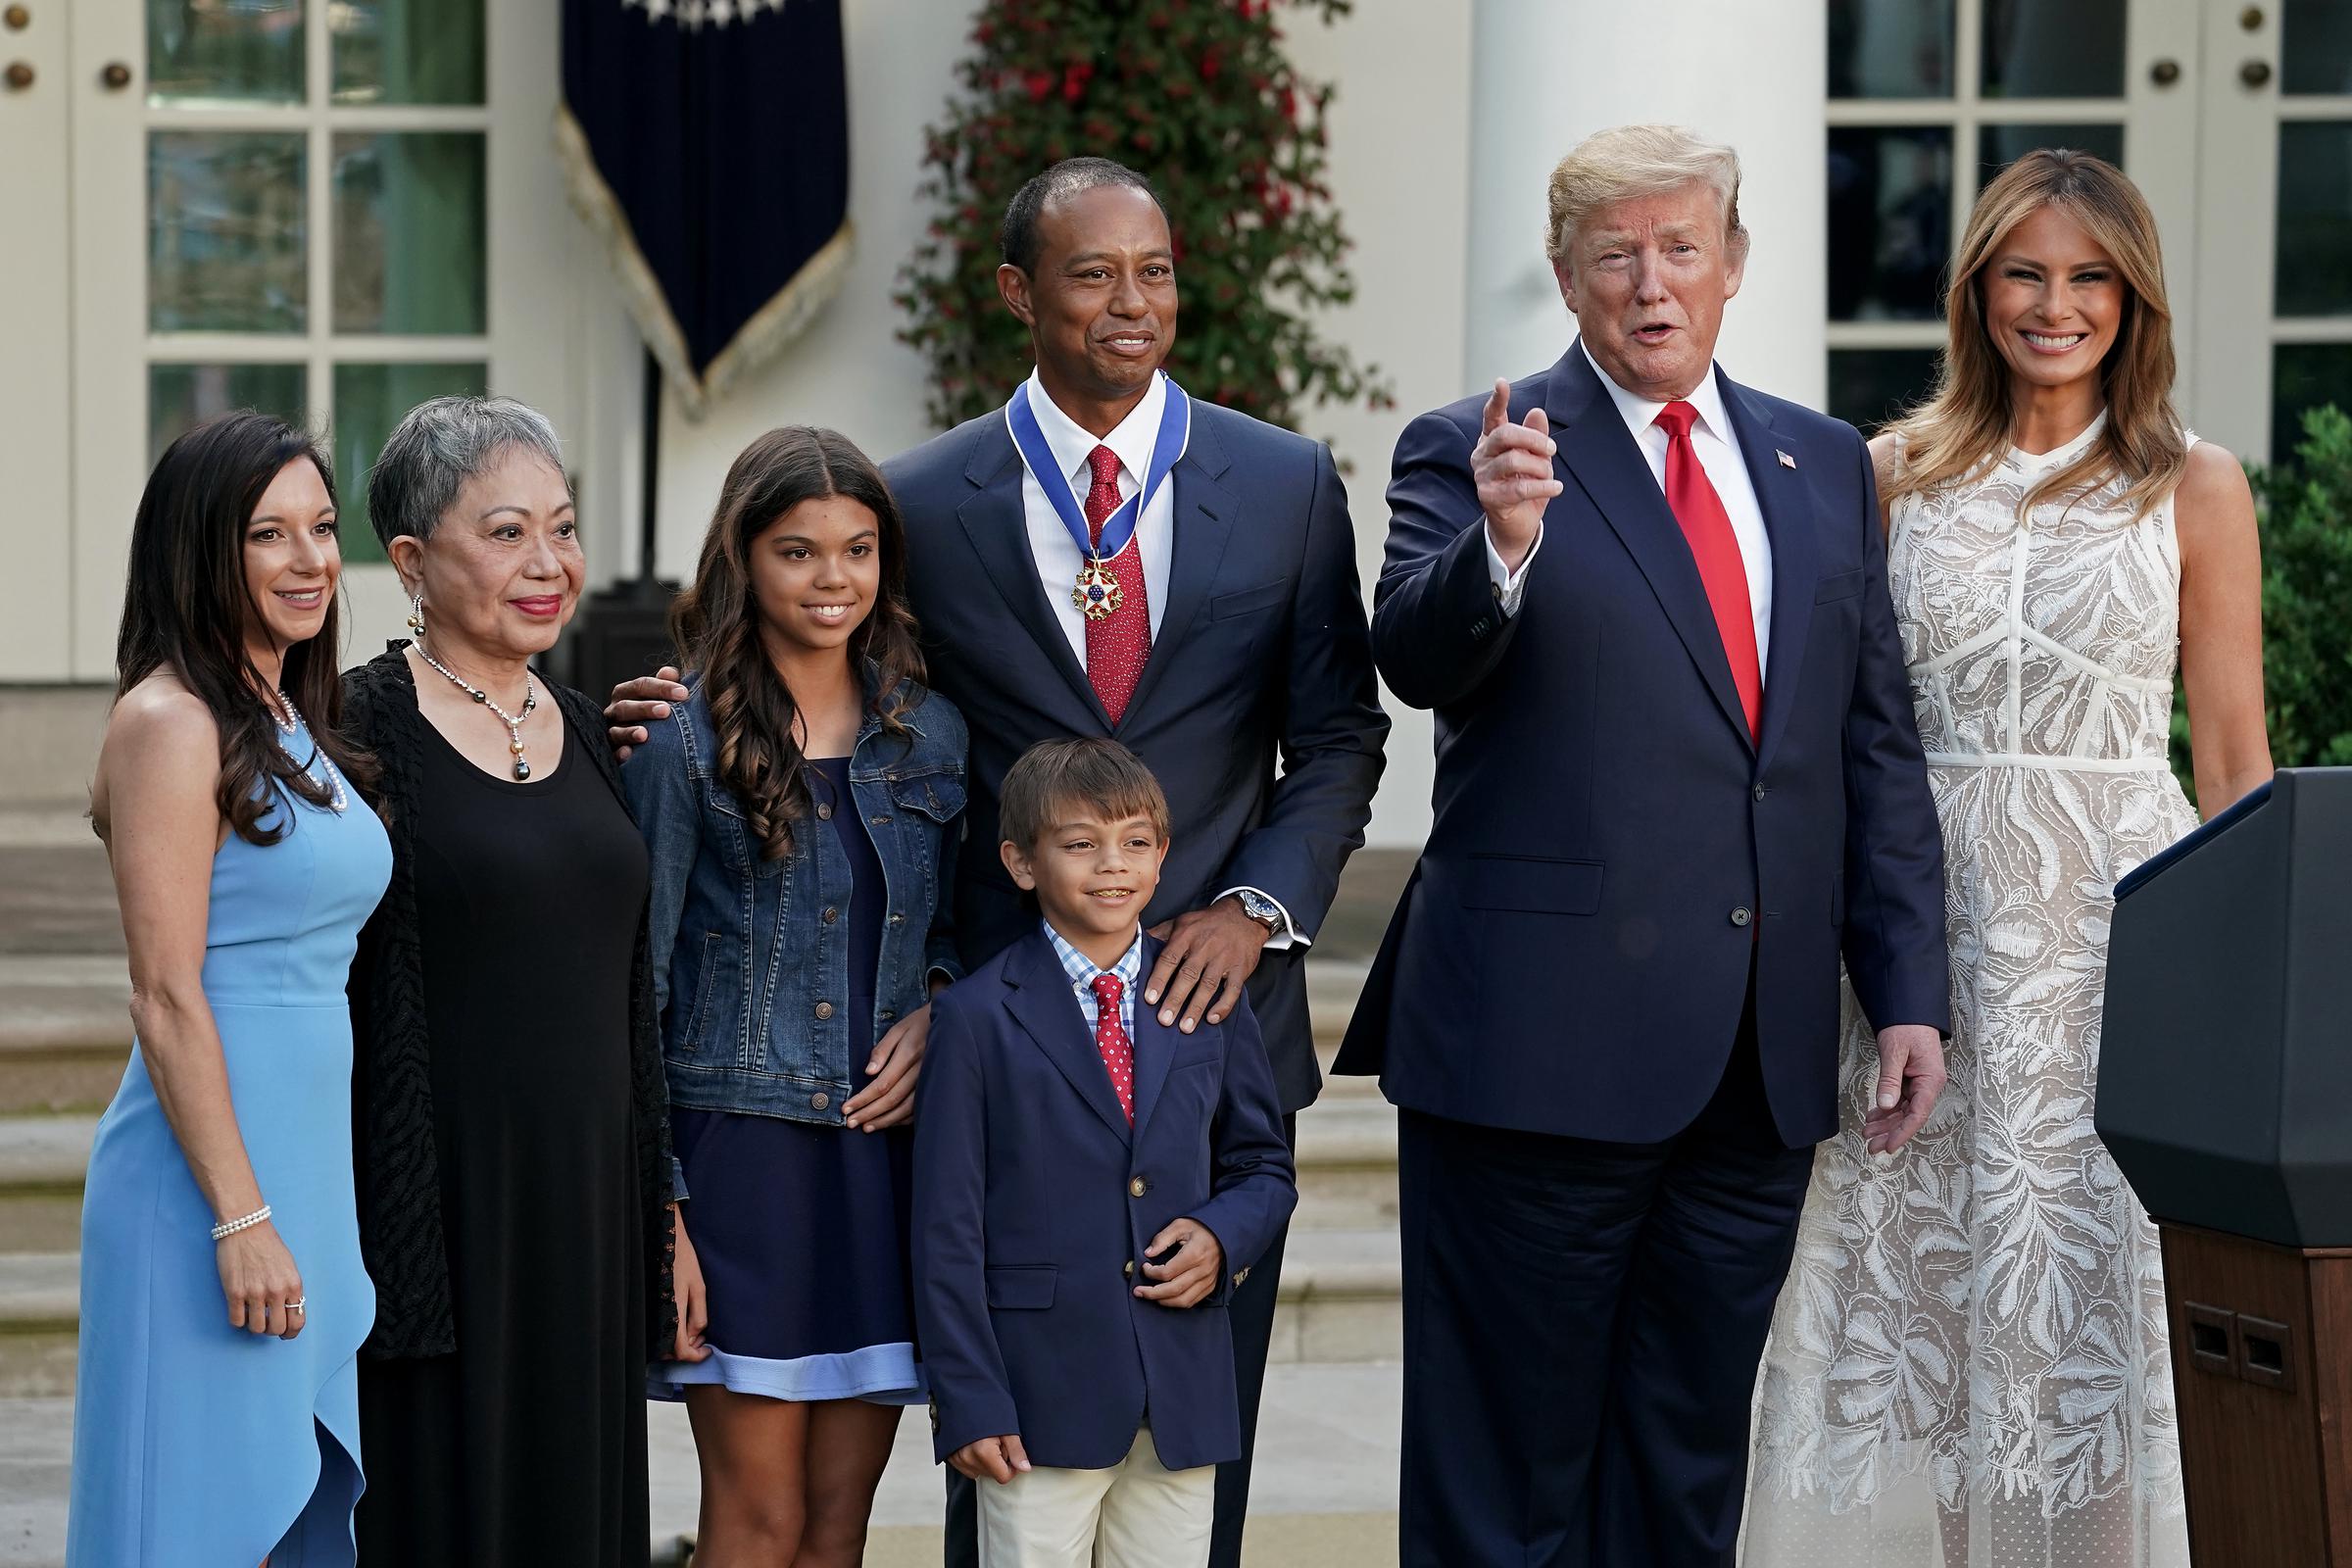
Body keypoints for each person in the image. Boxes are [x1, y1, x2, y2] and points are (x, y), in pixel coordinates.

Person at [610, 156, 1388, 1568]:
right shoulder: (919, 498)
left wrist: (1259, 909)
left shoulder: (1283, 483)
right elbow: (841, 676)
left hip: (1207, 1035)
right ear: (1020, 293)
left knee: (1187, 1460)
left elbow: (1339, 736)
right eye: (1093, 274)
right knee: (1007, 1456)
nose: (1131, 302)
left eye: (1153, 270)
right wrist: (688, 702)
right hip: (1003, 1050)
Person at [1332, 123, 1953, 1567]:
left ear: (1735, 264)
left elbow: (1869, 746)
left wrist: (1905, 981)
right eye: (1616, 255)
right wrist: (1499, 546)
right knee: (1508, 1490)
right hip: (1536, 1060)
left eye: (1682, 248)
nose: (1651, 284)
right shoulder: (1478, 445)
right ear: (1565, 275)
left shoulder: (1820, 465)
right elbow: (1418, 659)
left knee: (1681, 1477)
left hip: (1753, 1066)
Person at [1743, 149, 2273, 1568]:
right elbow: (1842, 734)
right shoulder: (1888, 475)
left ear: (2132, 298)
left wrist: (2245, 1004)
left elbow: (2233, 768)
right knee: (1941, 1308)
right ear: (1977, 292)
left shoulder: (2197, 483)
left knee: (2096, 1306)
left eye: (2090, 276)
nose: (2058, 305)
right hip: (1932, 942)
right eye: (2027, 274)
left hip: (2121, 945)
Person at [624, 425, 968, 1565]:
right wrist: (663, 1212)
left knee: (838, 1526)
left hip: (883, 1167)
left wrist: (940, 1010)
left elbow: (968, 933)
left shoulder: (931, 737)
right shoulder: (681, 746)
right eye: (799, 551)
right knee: (757, 1519)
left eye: (858, 550)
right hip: (739, 1169)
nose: (834, 581)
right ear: (744, 560)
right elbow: (639, 986)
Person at [340, 396, 674, 1566]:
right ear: (413, 563)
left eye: (565, 527)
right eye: (507, 532)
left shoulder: (591, 728)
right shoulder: (350, 727)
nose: (550, 565)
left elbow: (628, 987)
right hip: (439, 1208)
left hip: (587, 1205)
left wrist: (663, 1212)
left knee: (573, 1510)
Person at [69, 413, 389, 1566]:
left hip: (302, 1171)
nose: (310, 560)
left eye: (322, 527)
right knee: (197, 1521)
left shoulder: (293, 712)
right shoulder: (169, 719)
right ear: (202, 550)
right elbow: (164, 993)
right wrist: (241, 1217)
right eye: (269, 534)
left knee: (289, 1513)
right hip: (205, 1188)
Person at [912, 737, 1297, 1568]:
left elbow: (1262, 1166)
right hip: (1037, 1403)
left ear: (1163, 858)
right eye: (1080, 843)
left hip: (1182, 1394)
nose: (1111, 865)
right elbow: (946, 1229)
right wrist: (968, 1399)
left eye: (1135, 842)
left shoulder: (1205, 999)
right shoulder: (977, 1018)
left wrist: (1225, 1235)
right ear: (1021, 862)